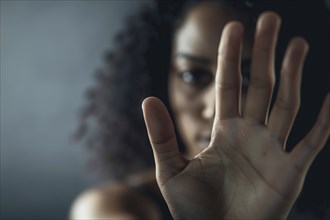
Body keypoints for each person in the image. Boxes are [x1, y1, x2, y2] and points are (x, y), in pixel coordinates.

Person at [70, 1, 330, 219]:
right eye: (193, 76)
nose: (215, 109)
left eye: (248, 80)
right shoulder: (115, 206)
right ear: (161, 79)